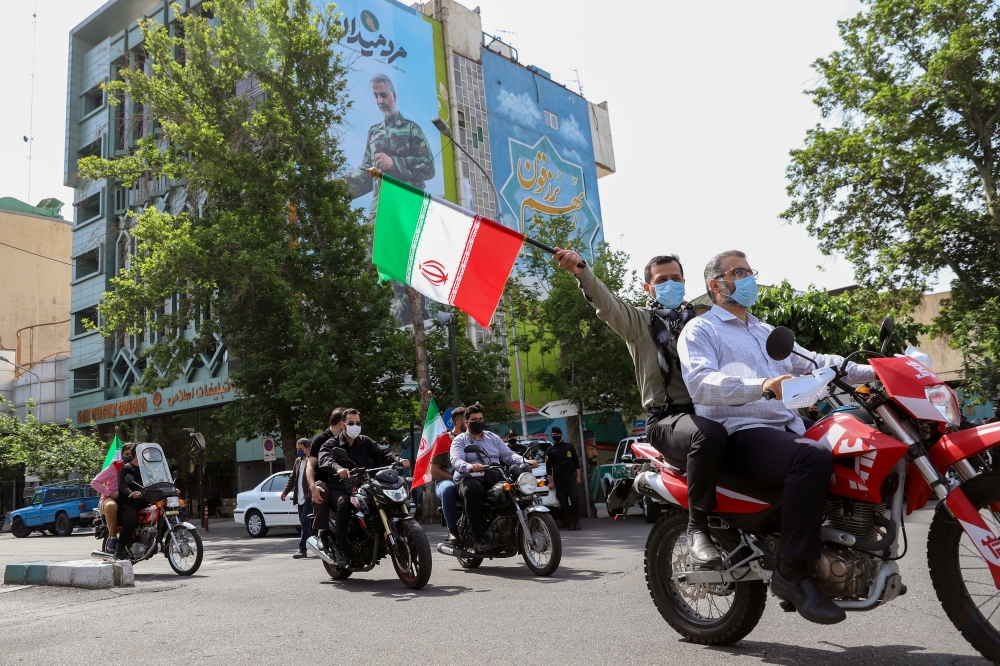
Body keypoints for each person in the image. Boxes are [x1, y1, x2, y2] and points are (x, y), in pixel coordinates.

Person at [677, 250, 877, 626]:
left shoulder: (765, 330)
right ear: (715, 285)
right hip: (740, 433)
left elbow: (818, 363)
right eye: (739, 271)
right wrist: (764, 384)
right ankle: (793, 573)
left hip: (786, 429)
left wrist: (877, 369)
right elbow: (701, 383)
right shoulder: (701, 330)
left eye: (750, 270)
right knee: (811, 457)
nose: (749, 277)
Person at [552, 248, 728, 568]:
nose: (670, 284)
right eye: (662, 280)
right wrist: (581, 270)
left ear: (685, 281)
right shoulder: (639, 322)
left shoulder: (705, 318)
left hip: (713, 409)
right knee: (710, 436)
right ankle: (698, 528)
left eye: (676, 278)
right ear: (649, 288)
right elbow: (607, 303)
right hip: (668, 418)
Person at [317, 409, 410, 568]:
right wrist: (338, 469)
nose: (355, 426)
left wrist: (397, 459)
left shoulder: (365, 441)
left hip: (363, 484)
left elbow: (382, 453)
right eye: (351, 423)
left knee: (383, 498)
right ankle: (340, 547)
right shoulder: (331, 444)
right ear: (342, 424)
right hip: (340, 488)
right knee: (344, 503)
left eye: (358, 423)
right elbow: (325, 458)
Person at [451, 404, 538, 552]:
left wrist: (525, 461)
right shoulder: (460, 440)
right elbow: (455, 461)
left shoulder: (492, 437)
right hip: (470, 478)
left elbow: (509, 455)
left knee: (514, 489)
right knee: (473, 489)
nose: (478, 421)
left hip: (494, 475)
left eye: (480, 418)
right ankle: (479, 539)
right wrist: (470, 466)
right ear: (466, 422)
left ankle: (509, 531)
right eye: (474, 419)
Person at [343, 73, 435, 198]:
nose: (380, 101)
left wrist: (394, 163)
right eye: (376, 96)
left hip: (406, 204)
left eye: (383, 95)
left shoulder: (411, 128)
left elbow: (428, 167)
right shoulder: (373, 132)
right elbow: (369, 173)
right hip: (380, 206)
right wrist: (339, 186)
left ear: (394, 96)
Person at [431, 406, 467, 541]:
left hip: (468, 478)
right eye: (467, 420)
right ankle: (452, 530)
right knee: (448, 489)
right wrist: (454, 478)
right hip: (447, 480)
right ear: (459, 422)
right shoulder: (444, 440)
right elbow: (434, 470)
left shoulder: (472, 438)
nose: (470, 423)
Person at [306, 408, 344, 530]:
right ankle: (321, 531)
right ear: (342, 423)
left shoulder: (348, 439)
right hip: (324, 481)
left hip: (343, 481)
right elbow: (310, 465)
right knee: (322, 491)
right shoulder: (320, 439)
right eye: (350, 423)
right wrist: (313, 487)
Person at [281, 438, 313, 559]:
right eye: (297, 449)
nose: (298, 451)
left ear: (308, 449)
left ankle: (302, 549)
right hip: (299, 498)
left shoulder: (312, 461)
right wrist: (285, 492)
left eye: (301, 449)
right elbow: (292, 477)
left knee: (305, 523)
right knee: (304, 524)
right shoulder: (298, 461)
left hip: (309, 498)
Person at [545, 427, 582, 530]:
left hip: (570, 476)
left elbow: (576, 463)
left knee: (574, 498)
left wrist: (578, 477)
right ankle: (570, 522)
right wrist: (550, 482)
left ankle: (577, 521)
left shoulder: (569, 446)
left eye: (557, 434)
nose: (555, 436)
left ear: (561, 435)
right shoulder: (550, 450)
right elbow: (548, 467)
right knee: (563, 501)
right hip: (558, 478)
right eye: (553, 435)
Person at [116, 443, 148, 559]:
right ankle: (119, 549)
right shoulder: (127, 468)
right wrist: (130, 493)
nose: (147, 454)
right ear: (138, 454)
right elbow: (123, 484)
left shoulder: (147, 469)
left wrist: (171, 488)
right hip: (128, 503)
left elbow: (158, 480)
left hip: (144, 501)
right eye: (145, 452)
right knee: (131, 520)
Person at [90, 461, 120, 553]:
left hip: (126, 499)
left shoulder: (141, 468)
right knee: (111, 506)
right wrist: (110, 493)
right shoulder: (114, 467)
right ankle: (113, 538)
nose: (129, 457)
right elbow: (94, 482)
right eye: (127, 454)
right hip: (108, 498)